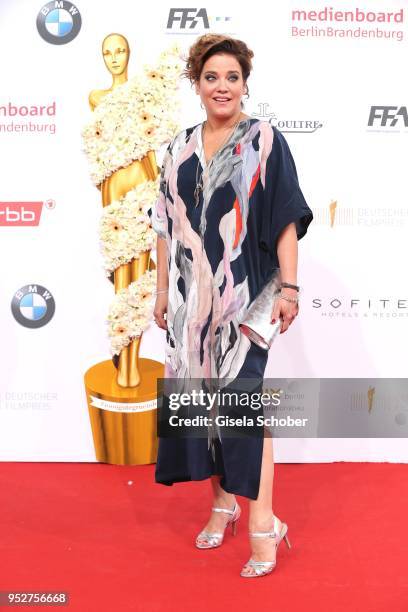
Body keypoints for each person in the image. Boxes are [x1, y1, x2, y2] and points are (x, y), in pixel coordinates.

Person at [149, 33, 313, 578]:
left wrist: (289, 288)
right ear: (197, 85)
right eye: (211, 77)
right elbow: (164, 227)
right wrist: (158, 295)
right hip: (188, 305)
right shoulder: (178, 148)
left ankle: (264, 525)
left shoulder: (265, 140)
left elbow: (286, 217)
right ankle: (222, 505)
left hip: (247, 300)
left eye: (232, 77)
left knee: (243, 412)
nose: (222, 86)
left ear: (246, 84)